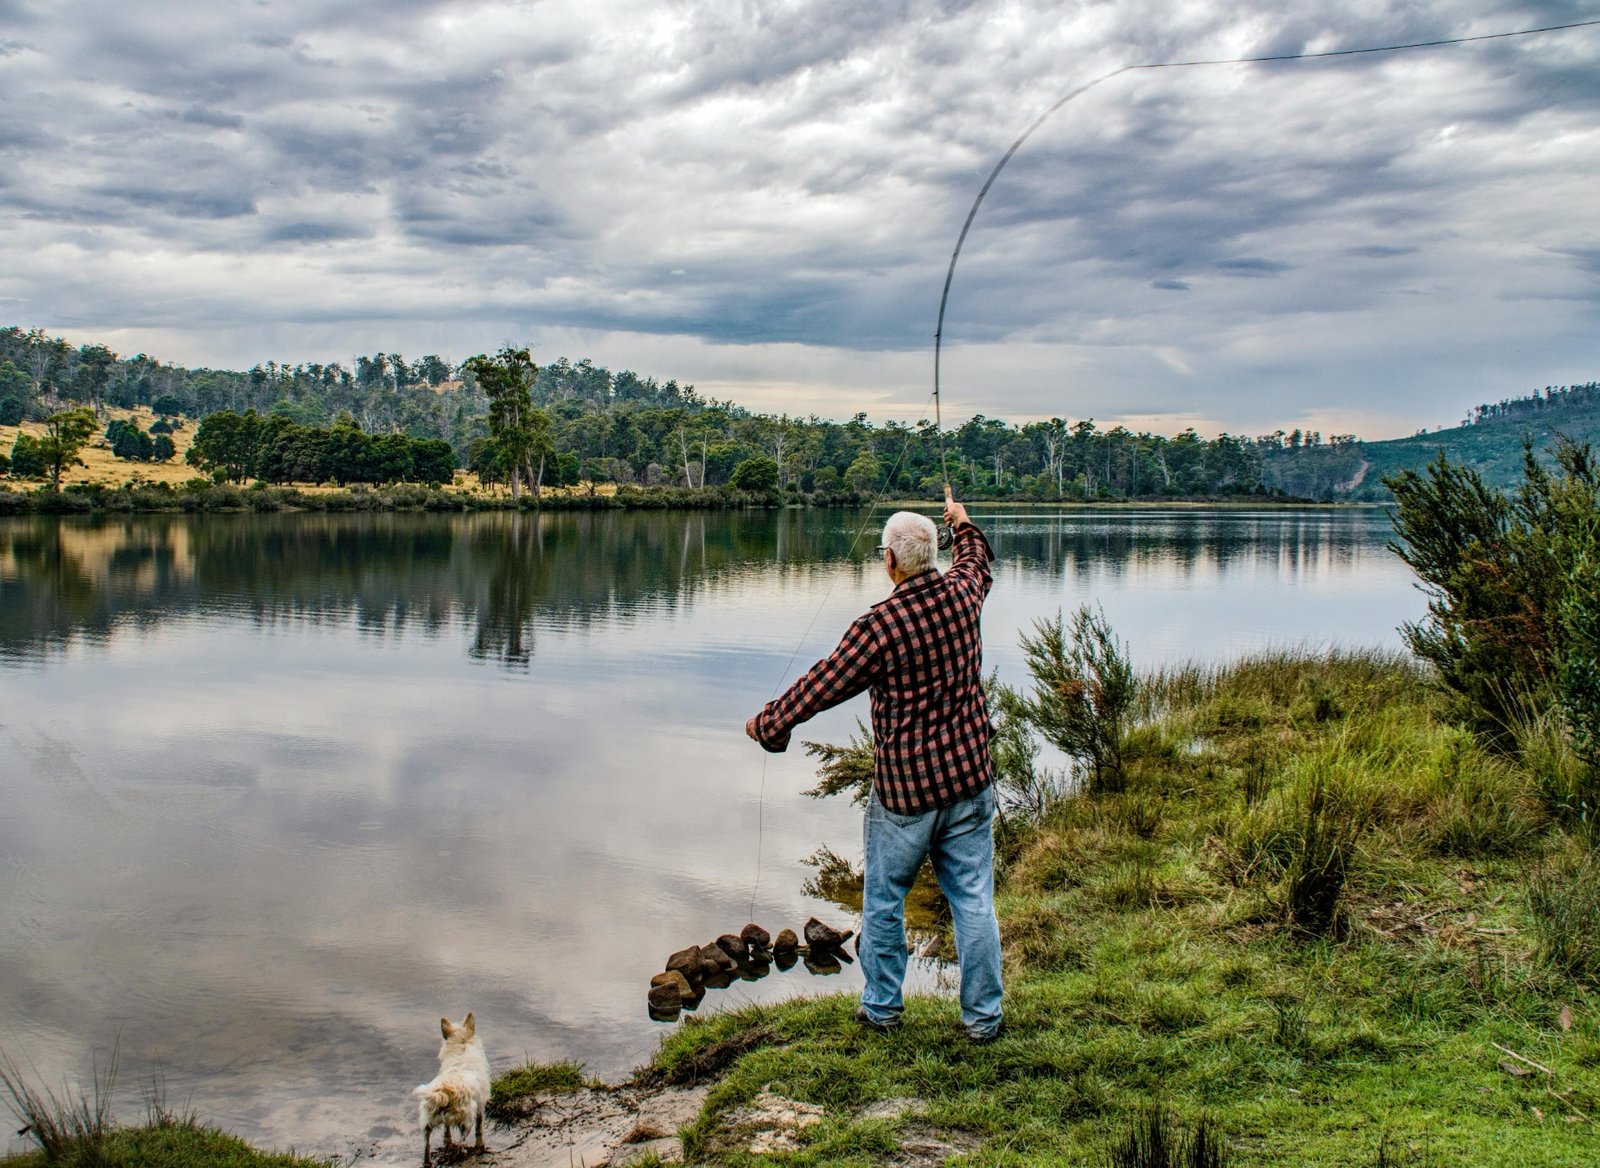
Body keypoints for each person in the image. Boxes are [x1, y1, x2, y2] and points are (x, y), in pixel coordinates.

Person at [745, 487, 1002, 1042]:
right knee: (974, 901)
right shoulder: (963, 595)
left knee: (885, 902)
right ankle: (983, 1020)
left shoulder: (879, 626)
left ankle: (883, 1009)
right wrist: (962, 521)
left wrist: (772, 723)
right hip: (969, 780)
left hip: (906, 795)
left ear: (890, 561)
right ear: (930, 556)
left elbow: (825, 682)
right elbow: (977, 558)